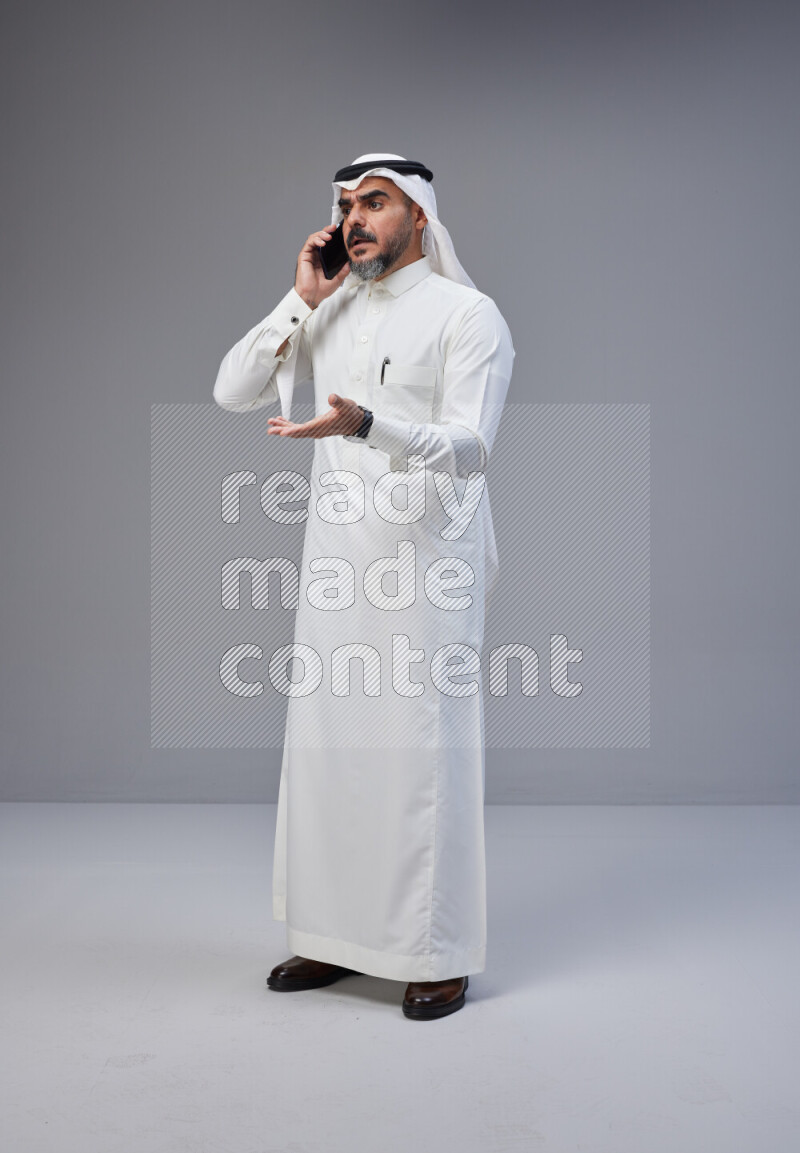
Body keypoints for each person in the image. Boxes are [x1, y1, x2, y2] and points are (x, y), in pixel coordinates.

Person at [213, 153, 514, 1019]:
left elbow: (471, 447)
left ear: (419, 214)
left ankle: (438, 950)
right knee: (331, 749)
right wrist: (301, 299)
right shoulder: (331, 306)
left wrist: (367, 423)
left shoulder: (470, 315)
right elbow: (232, 387)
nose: (354, 219)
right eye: (345, 204)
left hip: (426, 563)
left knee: (424, 754)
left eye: (374, 202)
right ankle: (332, 938)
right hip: (337, 563)